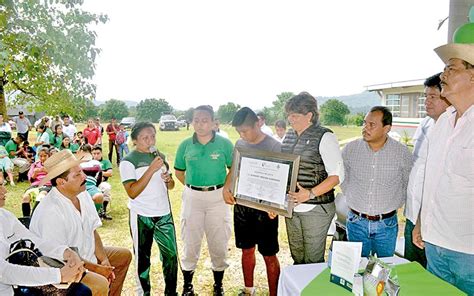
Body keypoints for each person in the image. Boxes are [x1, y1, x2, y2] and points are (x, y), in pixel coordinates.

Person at [412, 42, 474, 295]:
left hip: (468, 251)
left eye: (451, 68)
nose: (442, 76)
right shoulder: (442, 123)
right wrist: (419, 222)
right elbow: (432, 180)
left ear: (472, 76)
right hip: (434, 242)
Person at [29, 149, 132, 296]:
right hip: (63, 270)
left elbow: (92, 230)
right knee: (99, 283)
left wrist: (104, 261)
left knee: (123, 256)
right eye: (77, 175)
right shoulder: (50, 211)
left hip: (86, 258)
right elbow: (60, 259)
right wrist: (97, 269)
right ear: (61, 182)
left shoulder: (82, 194)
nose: (85, 177)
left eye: (82, 171)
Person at [174, 105, 234, 296]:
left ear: (213, 122)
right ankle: (187, 286)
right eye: (196, 120)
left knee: (218, 240)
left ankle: (218, 285)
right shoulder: (185, 144)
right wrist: (194, 187)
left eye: (205, 120)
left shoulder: (224, 143)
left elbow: (234, 168)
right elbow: (179, 171)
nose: (200, 124)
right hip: (192, 197)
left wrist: (225, 188)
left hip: (218, 197)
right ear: (192, 122)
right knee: (190, 241)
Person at [222, 107, 281, 296]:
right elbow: (234, 170)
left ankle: (274, 293)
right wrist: (226, 187)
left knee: (269, 254)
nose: (242, 135)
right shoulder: (240, 143)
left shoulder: (274, 146)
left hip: (266, 209)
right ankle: (248, 289)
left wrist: (276, 206)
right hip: (243, 206)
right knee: (246, 250)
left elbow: (281, 179)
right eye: (239, 131)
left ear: (258, 123)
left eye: (245, 130)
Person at [341, 106, 412, 257]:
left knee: (385, 270)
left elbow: (408, 183)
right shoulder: (351, 149)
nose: (365, 128)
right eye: (364, 123)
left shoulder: (401, 152)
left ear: (387, 128)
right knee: (357, 269)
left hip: (387, 224)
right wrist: (352, 196)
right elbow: (342, 177)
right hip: (356, 222)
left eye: (371, 125)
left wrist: (396, 203)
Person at [281, 92, 343, 264]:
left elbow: (337, 176)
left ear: (309, 115)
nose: (290, 120)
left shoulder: (325, 136)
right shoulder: (289, 136)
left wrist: (309, 194)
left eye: (295, 115)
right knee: (297, 257)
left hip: (316, 208)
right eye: (289, 116)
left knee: (312, 261)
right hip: (292, 207)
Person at [0, 181, 91, 296]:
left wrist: (66, 253)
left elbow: (34, 241)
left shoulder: (5, 216)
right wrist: (59, 275)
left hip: (17, 287)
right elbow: (3, 272)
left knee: (82, 292)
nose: (4, 190)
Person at [119, 121, 178, 296]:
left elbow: (171, 186)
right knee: (142, 259)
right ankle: (143, 292)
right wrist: (151, 170)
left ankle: (171, 292)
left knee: (171, 256)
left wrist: (169, 180)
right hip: (141, 215)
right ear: (135, 140)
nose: (150, 140)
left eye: (153, 136)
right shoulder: (128, 161)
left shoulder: (159, 156)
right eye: (145, 137)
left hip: (164, 213)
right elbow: (132, 192)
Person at [404, 73, 450, 267]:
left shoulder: (454, 128)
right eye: (425, 97)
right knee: (411, 269)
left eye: (433, 97)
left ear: (447, 97)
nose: (426, 102)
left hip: (434, 220)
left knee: (432, 276)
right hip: (411, 214)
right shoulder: (424, 124)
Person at [21, 147, 51, 217]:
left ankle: (33, 217)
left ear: (49, 156)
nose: (43, 158)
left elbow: (56, 178)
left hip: (47, 185)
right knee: (25, 198)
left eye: (45, 156)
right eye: (41, 156)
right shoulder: (34, 165)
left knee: (41, 196)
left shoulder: (53, 165)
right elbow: (31, 180)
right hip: (35, 185)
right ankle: (26, 218)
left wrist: (47, 171)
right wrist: (35, 173)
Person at [79, 144, 104, 212]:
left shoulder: (95, 163)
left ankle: (95, 215)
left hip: (91, 186)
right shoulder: (76, 164)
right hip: (78, 187)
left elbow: (99, 178)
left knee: (98, 196)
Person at [92, 146, 114, 220]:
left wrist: (100, 172)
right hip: (91, 183)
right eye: (94, 153)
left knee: (106, 187)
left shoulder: (105, 162)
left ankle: (103, 211)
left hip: (101, 183)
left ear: (101, 154)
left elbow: (110, 173)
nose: (96, 155)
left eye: (98, 153)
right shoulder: (89, 162)